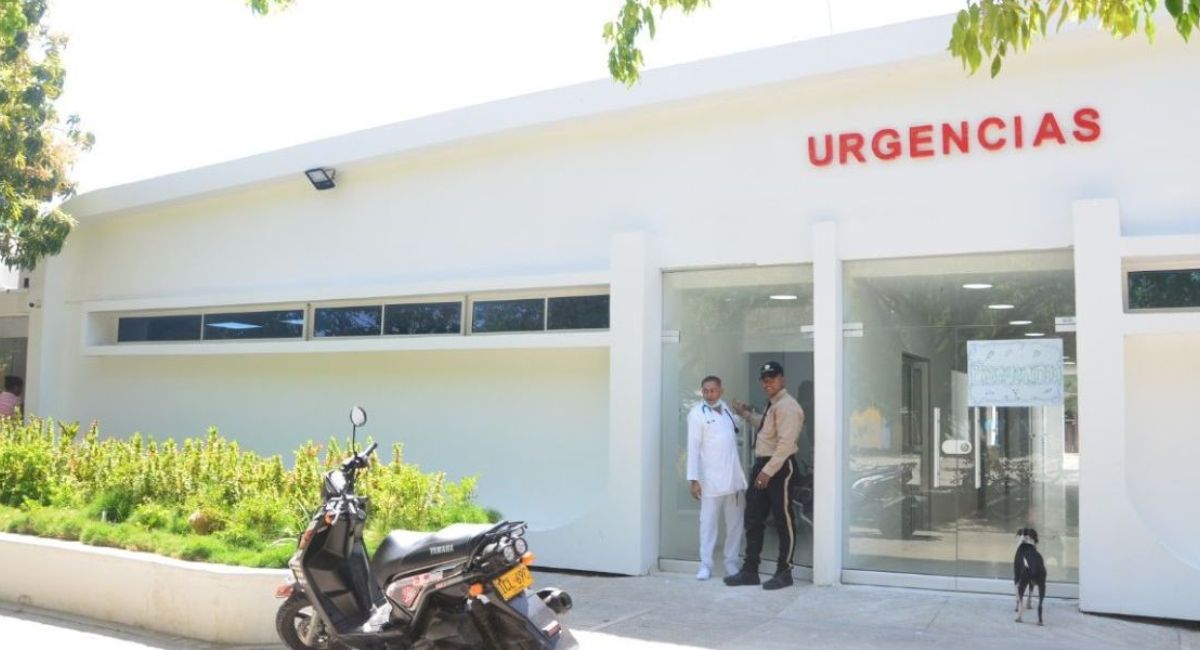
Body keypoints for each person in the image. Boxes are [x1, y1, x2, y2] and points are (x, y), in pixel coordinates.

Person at [725, 361, 804, 590]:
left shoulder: (788, 406)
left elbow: (785, 445)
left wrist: (767, 472)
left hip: (778, 468)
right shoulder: (774, 405)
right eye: (764, 380)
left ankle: (785, 571)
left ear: (782, 380)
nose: (767, 383)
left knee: (783, 520)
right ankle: (750, 571)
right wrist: (746, 414)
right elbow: (766, 427)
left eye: (772, 378)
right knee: (753, 519)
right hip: (763, 467)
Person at [685, 375, 747, 580]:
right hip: (710, 479)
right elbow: (693, 448)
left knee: (735, 523)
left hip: (733, 478)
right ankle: (705, 565)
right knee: (708, 524)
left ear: (721, 391)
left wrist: (743, 412)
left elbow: (734, 429)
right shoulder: (696, 414)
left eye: (713, 390)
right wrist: (693, 479)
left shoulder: (727, 410)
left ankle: (731, 562)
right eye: (705, 391)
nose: (709, 394)